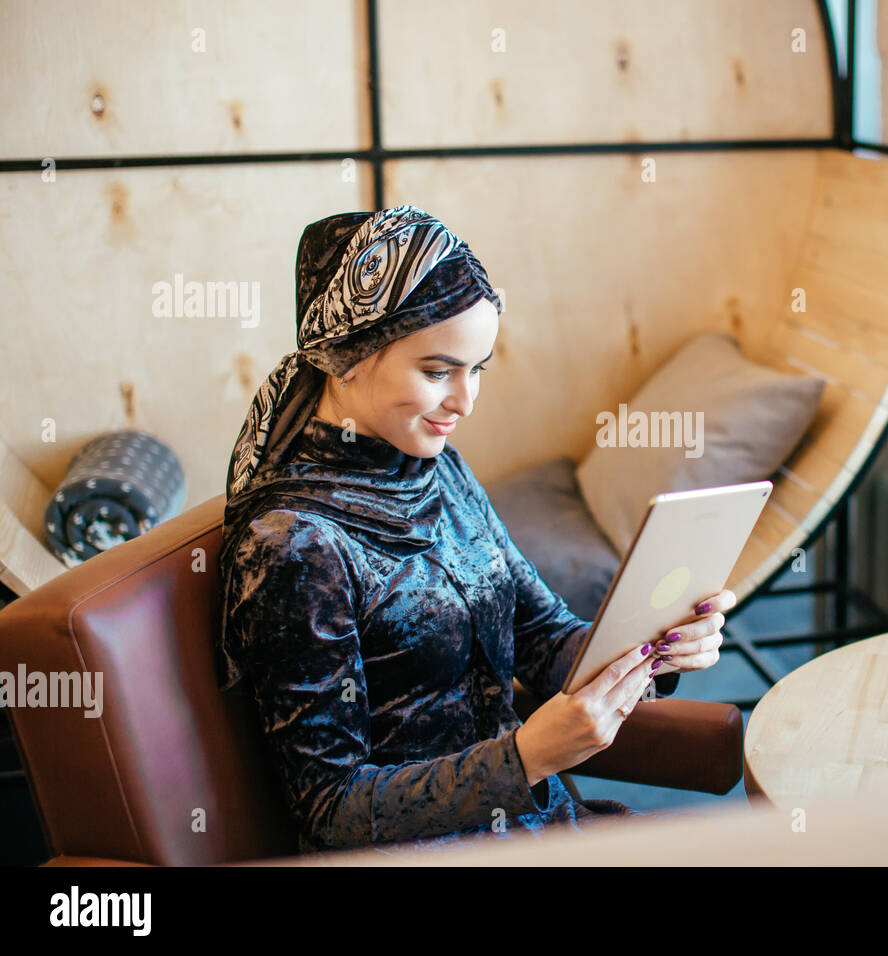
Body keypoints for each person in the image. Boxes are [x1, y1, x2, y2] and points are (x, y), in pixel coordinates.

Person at [216, 206, 732, 856]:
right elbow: (331, 809)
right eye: (438, 372)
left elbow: (542, 635)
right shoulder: (295, 544)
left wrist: (654, 643)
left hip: (530, 825)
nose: (465, 401)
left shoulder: (441, 471)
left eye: (478, 368)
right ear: (347, 357)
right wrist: (526, 757)